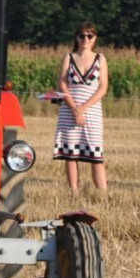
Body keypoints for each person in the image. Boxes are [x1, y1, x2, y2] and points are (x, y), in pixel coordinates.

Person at [53, 22, 109, 192]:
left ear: (95, 38)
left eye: (90, 35)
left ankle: (102, 193)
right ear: (76, 38)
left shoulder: (100, 59)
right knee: (70, 154)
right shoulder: (68, 58)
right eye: (82, 35)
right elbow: (62, 85)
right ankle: (74, 192)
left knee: (95, 155)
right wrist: (74, 109)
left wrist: (82, 109)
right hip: (69, 110)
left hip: (91, 111)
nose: (86, 39)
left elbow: (103, 88)